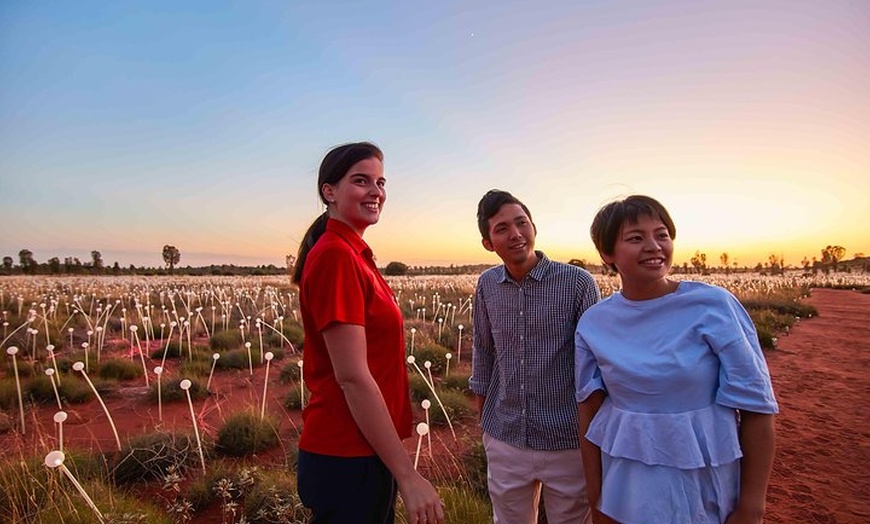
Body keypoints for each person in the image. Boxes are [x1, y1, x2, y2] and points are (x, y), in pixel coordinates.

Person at [575, 195, 778, 524]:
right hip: (627, 484)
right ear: (607, 253)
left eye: (662, 234)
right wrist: (596, 495)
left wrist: (753, 504)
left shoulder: (714, 306)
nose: (654, 246)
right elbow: (588, 410)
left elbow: (756, 406)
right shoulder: (594, 322)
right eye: (636, 238)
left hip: (705, 483)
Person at [292, 142, 444, 524]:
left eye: (380, 182)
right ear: (329, 191)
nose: (376, 192)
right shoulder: (335, 256)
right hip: (346, 452)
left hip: (364, 449)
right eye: (361, 181)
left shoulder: (353, 253)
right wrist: (408, 476)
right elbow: (353, 377)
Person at [469, 189, 600, 523]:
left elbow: (595, 362)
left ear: (533, 226)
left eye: (521, 223)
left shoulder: (577, 283)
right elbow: (483, 349)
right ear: (488, 242)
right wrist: (485, 419)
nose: (515, 234)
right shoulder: (487, 285)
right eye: (502, 229)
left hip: (567, 437)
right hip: (506, 436)